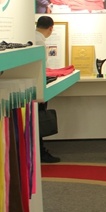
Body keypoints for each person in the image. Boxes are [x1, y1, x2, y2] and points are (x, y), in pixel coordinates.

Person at [35, 16, 61, 163]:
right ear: (51, 28)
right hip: (38, 86)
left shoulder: (33, 38)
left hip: (33, 85)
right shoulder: (39, 42)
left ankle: (38, 151)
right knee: (39, 120)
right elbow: (41, 66)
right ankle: (40, 152)